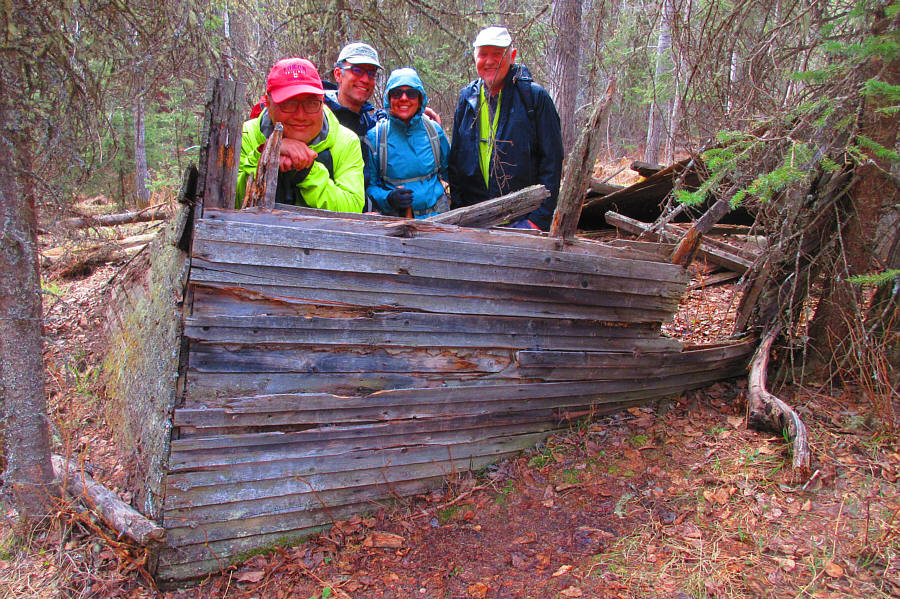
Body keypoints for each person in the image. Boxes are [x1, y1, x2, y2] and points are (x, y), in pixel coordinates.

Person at [447, 26, 564, 230]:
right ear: (475, 57)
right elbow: (456, 165)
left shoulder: (534, 98)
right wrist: (459, 213)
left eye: (497, 54)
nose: (490, 61)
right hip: (474, 224)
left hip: (522, 222)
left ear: (512, 56)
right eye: (483, 54)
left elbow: (552, 163)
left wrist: (537, 221)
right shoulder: (467, 100)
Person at [235, 57, 365, 212]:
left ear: (322, 102)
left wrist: (307, 171)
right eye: (289, 103)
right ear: (269, 104)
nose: (301, 115)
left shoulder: (346, 141)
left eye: (311, 103)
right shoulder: (246, 134)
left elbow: (353, 208)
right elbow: (229, 201)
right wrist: (266, 154)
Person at [364, 68, 450, 218]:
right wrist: (388, 198)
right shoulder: (376, 138)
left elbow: (449, 174)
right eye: (397, 93)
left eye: (411, 94)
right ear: (389, 99)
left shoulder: (434, 132)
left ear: (420, 99)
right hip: (396, 222)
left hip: (438, 219)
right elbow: (369, 186)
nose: (404, 98)